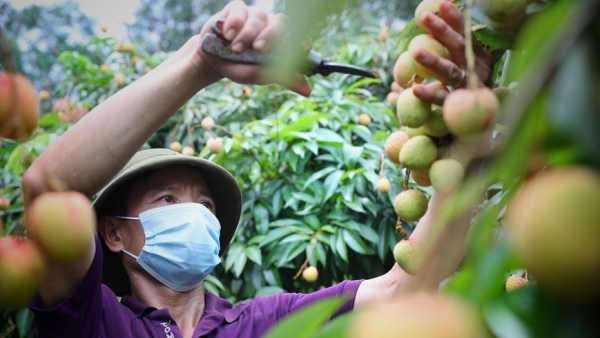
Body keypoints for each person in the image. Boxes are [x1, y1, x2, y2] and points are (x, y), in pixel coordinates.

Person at [21, 1, 493, 337]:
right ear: (114, 234)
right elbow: (49, 190)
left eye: (205, 204)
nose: (196, 214)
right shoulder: (93, 320)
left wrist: (463, 134)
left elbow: (404, 285)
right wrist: (199, 62)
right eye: (167, 199)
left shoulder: (263, 323)